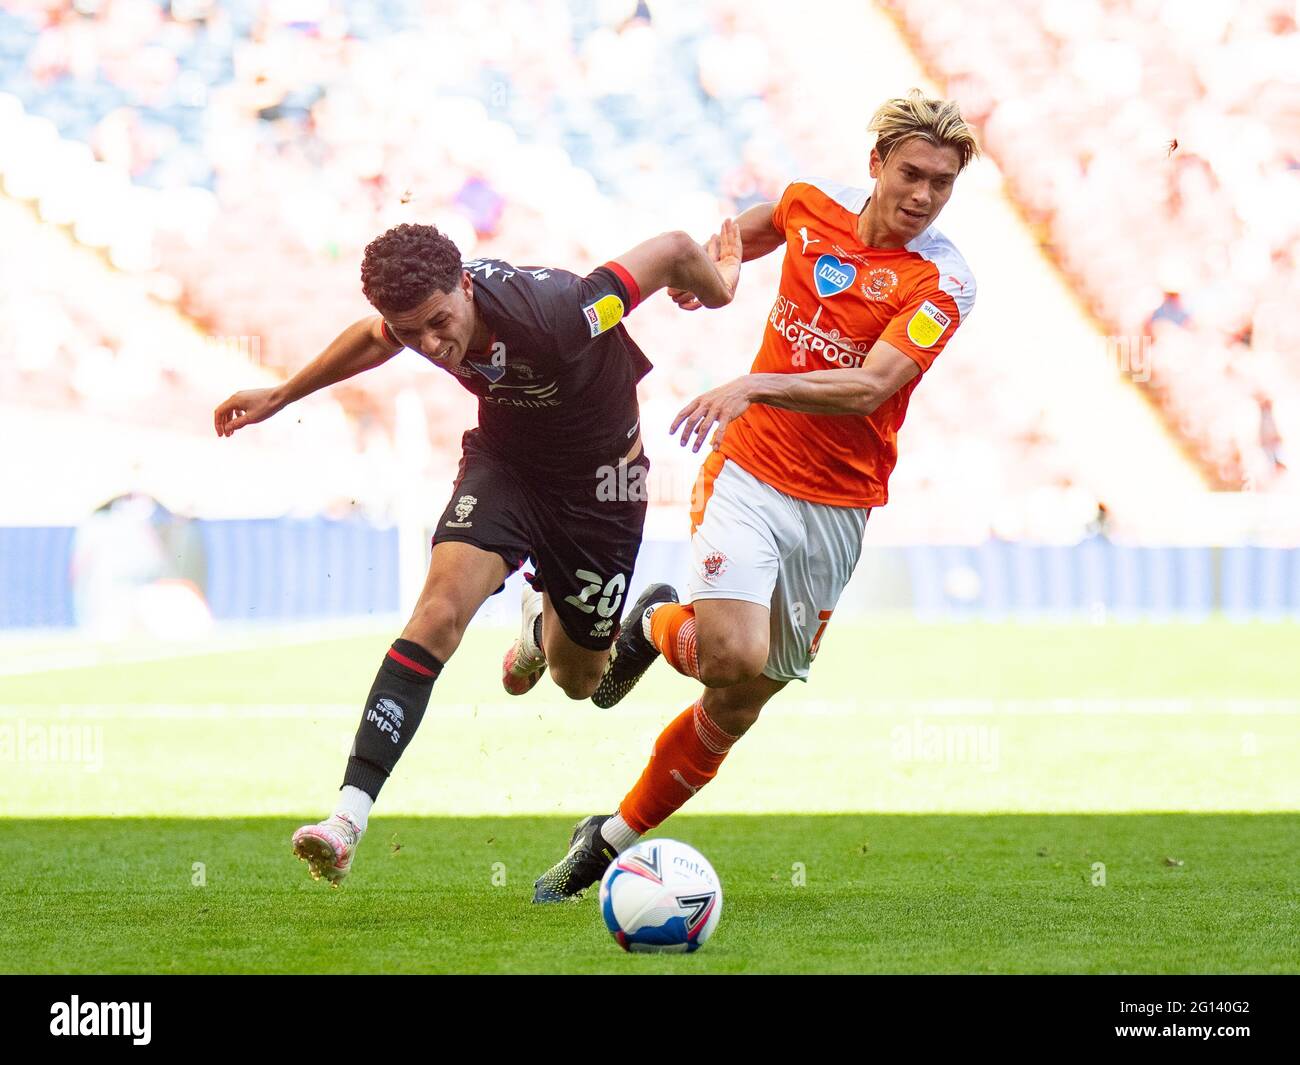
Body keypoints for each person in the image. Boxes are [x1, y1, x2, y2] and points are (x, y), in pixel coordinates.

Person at [533, 90, 979, 902]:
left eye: (941, 184)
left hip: (838, 505)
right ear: (875, 164)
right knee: (732, 653)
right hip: (749, 471)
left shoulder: (943, 280)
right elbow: (760, 224)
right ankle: (657, 626)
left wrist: (754, 382)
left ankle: (608, 836)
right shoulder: (812, 204)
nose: (922, 196)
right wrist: (724, 267)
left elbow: (873, 384)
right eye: (911, 173)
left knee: (737, 703)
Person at [213, 219, 742, 884]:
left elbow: (668, 251)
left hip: (601, 488)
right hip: (508, 467)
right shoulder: (415, 321)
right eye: (413, 333)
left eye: (439, 323)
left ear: (466, 286)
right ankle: (347, 818)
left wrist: (718, 286)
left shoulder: (557, 314)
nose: (431, 346)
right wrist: (282, 394)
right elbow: (375, 339)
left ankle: (565, 624)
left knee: (580, 681)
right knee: (436, 614)